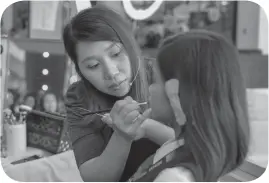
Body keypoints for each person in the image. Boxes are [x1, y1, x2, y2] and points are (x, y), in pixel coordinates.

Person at [106, 30, 250, 181]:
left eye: (156, 80)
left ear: (178, 96)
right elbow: (175, 142)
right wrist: (144, 127)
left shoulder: (174, 178)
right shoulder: (194, 150)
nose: (150, 89)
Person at [63, 6, 174, 182]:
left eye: (115, 54)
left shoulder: (161, 73)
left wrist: (146, 128)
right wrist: (122, 137)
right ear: (80, 71)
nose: (111, 73)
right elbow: (94, 178)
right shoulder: (79, 96)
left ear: (129, 43)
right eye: (93, 65)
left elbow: (202, 146)